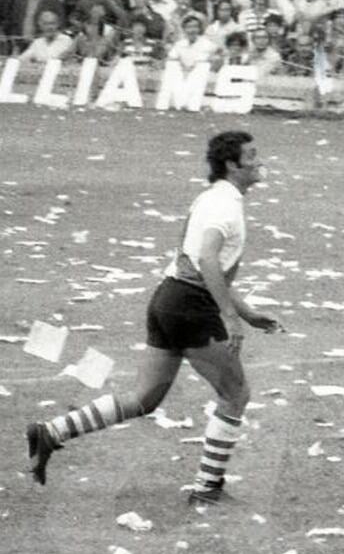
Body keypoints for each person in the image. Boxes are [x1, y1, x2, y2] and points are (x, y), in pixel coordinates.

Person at [25, 132, 284, 504]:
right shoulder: (225, 206)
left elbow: (200, 265)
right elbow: (207, 260)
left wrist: (247, 312)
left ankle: (49, 433)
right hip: (192, 307)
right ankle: (207, 488)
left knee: (144, 397)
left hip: (168, 299)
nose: (260, 161)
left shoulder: (212, 199)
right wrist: (231, 317)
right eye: (253, 155)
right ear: (232, 164)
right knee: (236, 394)